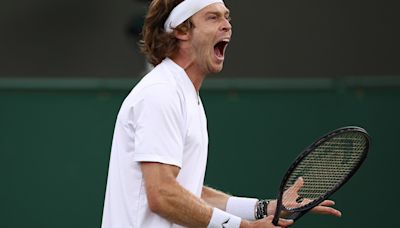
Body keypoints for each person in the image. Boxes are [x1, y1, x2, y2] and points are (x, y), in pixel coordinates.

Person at [101, 0, 342, 227]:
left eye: (227, 17)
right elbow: (163, 195)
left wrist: (263, 208)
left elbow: (189, 193)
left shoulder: (185, 95)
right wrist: (243, 227)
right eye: (213, 17)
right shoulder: (161, 93)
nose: (227, 24)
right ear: (182, 31)